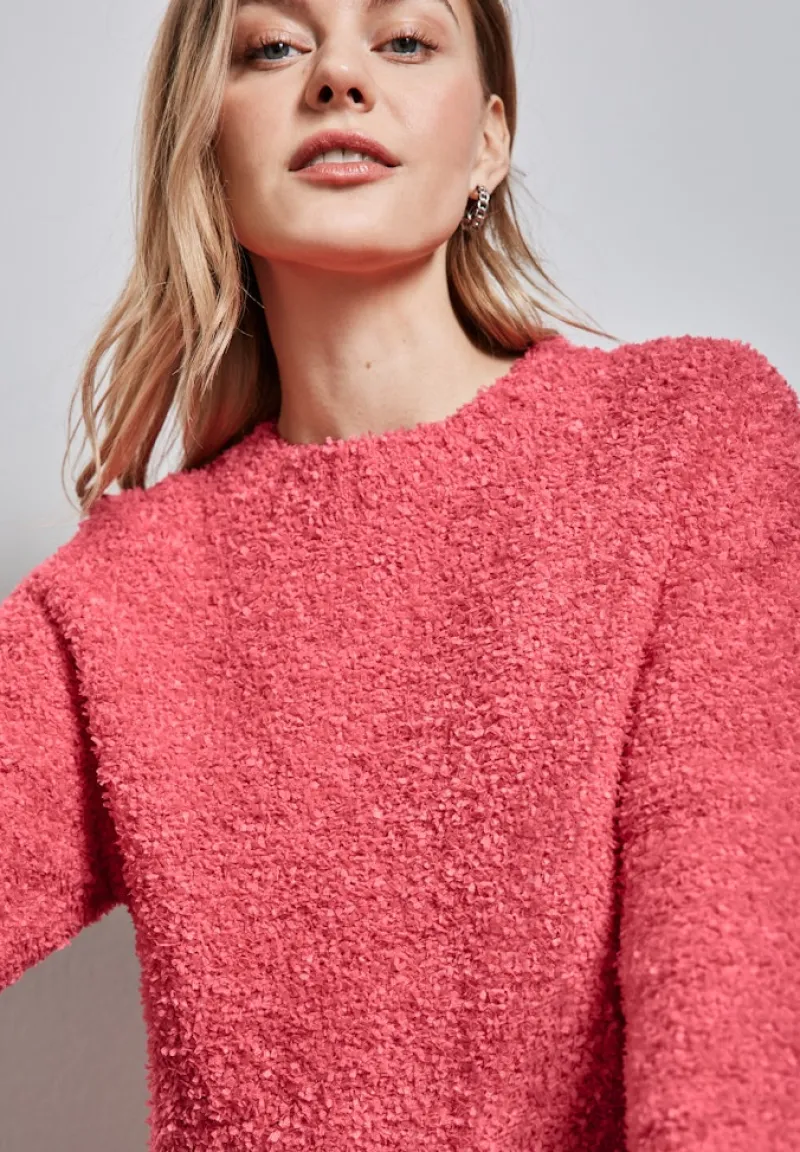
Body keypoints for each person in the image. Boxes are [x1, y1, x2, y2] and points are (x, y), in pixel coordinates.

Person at [1, 1, 798, 1149]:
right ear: (201, 143)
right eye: (275, 47)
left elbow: (732, 1010)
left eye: (404, 40)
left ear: (487, 142)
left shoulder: (687, 444)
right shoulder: (118, 597)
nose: (338, 76)